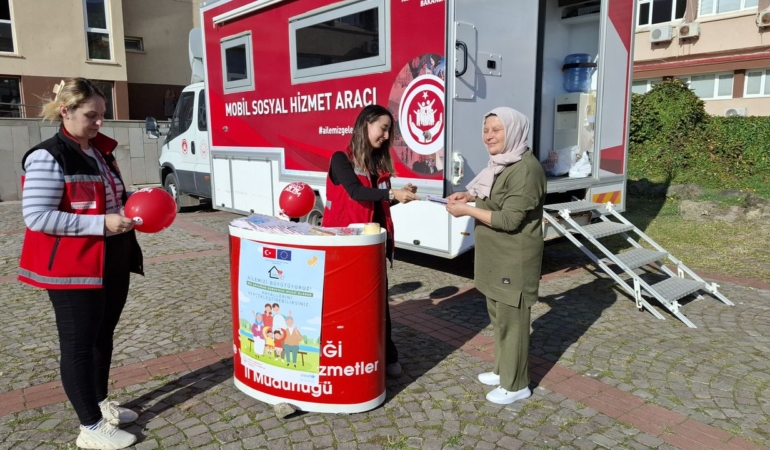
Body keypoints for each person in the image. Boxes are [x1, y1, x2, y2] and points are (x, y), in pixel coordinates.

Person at [18, 78, 144, 449]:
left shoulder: (100, 151)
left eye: (103, 115)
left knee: (102, 338)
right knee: (78, 345)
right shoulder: (47, 155)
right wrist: (101, 223)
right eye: (92, 115)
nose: (99, 122)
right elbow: (38, 217)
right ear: (65, 111)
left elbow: (109, 196)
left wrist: (135, 201)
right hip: (73, 268)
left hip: (112, 259)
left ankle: (100, 403)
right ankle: (89, 427)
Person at [445, 107, 546, 405]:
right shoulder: (502, 163)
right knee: (500, 319)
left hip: (513, 259)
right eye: (486, 129)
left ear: (513, 131)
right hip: (495, 257)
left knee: (513, 322)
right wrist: (470, 197)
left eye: (496, 129)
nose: (489, 135)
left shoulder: (525, 169)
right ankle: (503, 370)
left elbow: (509, 220)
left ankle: (516, 385)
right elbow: (494, 199)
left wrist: (466, 210)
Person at [321, 104, 420, 377]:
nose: (387, 136)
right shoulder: (340, 159)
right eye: (384, 128)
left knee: (379, 304)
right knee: (346, 306)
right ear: (366, 124)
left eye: (389, 131)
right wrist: (392, 194)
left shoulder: (377, 165)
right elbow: (355, 192)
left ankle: (387, 355)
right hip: (345, 247)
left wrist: (401, 196)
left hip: (373, 246)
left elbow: (378, 206)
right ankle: (346, 356)